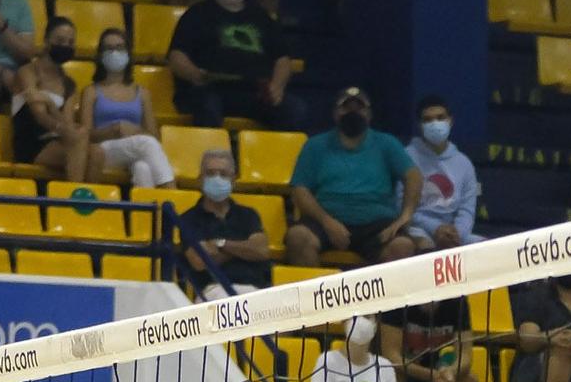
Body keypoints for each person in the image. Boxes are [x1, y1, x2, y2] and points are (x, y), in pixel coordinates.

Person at [285, 87, 421, 267]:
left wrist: (405, 217)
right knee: (298, 237)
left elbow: (413, 176)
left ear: (369, 114)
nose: (353, 112)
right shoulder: (315, 145)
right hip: (326, 218)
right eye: (346, 107)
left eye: (359, 108)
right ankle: (311, 295)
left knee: (402, 246)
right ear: (335, 113)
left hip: (377, 223)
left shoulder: (387, 143)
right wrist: (327, 222)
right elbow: (300, 189)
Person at [165, 0, 297, 130]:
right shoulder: (195, 14)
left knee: (294, 109)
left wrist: (277, 87)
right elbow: (176, 55)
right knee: (207, 106)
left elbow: (282, 59)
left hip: (254, 91)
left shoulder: (262, 18)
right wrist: (195, 74)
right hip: (210, 89)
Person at [74, 26, 175, 189]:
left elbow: (154, 136)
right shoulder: (91, 91)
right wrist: (113, 130)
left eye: (119, 47)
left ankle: (147, 212)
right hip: (104, 151)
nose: (114, 52)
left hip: (135, 149)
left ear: (128, 53)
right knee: (147, 144)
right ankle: (172, 193)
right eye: (109, 48)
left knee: (144, 168)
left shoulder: (142, 93)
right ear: (100, 55)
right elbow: (84, 136)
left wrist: (133, 130)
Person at [378, 291, 482, 382]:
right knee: (393, 376)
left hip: (439, 378)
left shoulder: (457, 300)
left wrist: (450, 373)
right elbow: (392, 357)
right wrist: (431, 375)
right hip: (405, 375)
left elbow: (466, 355)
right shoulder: (397, 298)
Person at [178, 145, 272, 297]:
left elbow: (261, 250)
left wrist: (219, 244)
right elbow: (199, 262)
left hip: (254, 289)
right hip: (214, 291)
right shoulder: (188, 219)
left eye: (223, 174)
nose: (217, 179)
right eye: (210, 173)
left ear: (233, 180)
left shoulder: (248, 215)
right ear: (200, 179)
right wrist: (243, 249)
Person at [405, 94, 480, 249]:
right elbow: (403, 207)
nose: (435, 123)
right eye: (428, 119)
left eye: (440, 117)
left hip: (455, 235)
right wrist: (435, 228)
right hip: (418, 230)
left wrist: (456, 234)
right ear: (420, 125)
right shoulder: (407, 157)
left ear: (450, 121)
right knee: (424, 246)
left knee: (488, 248)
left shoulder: (464, 164)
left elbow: (467, 210)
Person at [12, 17, 85, 175]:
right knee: (78, 142)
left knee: (97, 153)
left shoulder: (69, 84)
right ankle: (75, 198)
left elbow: (67, 122)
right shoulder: (28, 72)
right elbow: (40, 116)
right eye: (60, 40)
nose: (65, 46)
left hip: (58, 140)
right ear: (46, 41)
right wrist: (65, 129)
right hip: (31, 142)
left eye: (70, 42)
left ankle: (88, 198)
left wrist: (51, 105)